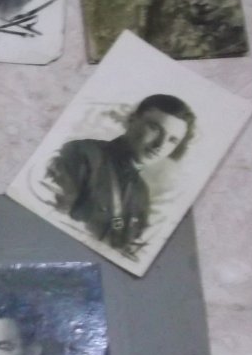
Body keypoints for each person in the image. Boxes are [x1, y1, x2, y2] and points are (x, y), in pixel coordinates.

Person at [44, 93, 194, 254]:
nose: (160, 145)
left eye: (172, 140)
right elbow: (50, 216)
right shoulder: (82, 154)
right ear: (132, 120)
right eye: (155, 128)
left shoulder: (141, 193)